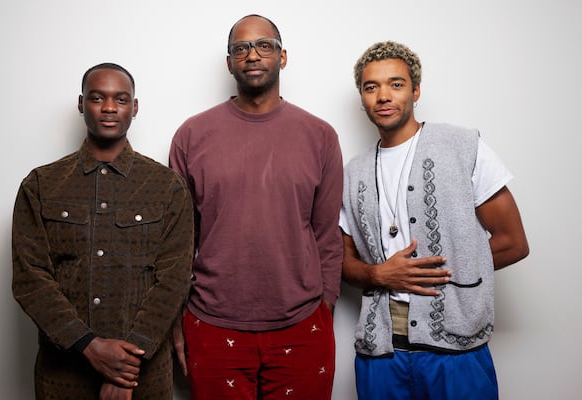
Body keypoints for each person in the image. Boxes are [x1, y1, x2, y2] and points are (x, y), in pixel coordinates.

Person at [340, 41, 529, 399]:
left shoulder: (462, 146)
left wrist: (438, 276)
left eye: (396, 84)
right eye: (371, 87)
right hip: (380, 350)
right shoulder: (353, 172)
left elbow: (513, 242)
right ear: (362, 97)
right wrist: (377, 275)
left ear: (415, 90)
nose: (383, 96)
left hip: (456, 349)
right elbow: (341, 262)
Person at [168, 14, 343, 400]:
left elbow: (327, 234)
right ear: (229, 62)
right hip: (212, 321)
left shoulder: (320, 136)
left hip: (302, 322)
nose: (252, 55)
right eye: (241, 48)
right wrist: (175, 318)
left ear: (283, 57)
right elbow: (179, 241)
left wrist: (325, 306)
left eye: (265, 45)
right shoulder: (191, 135)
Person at [12, 63, 194, 400]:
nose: (109, 108)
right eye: (98, 98)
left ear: (134, 108)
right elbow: (30, 277)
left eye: (121, 99)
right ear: (82, 104)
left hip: (145, 378)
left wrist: (124, 369)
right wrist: (89, 346)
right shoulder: (41, 184)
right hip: (63, 376)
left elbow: (174, 279)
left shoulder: (167, 187)